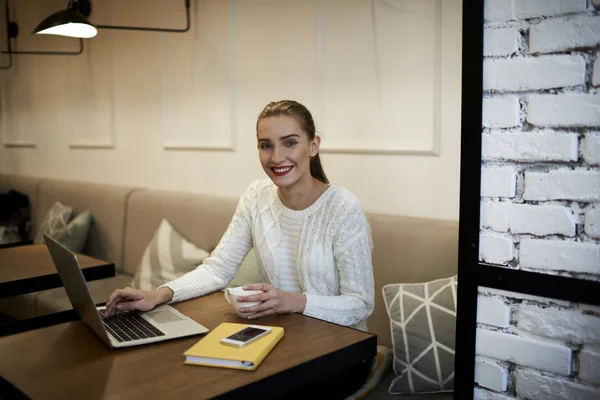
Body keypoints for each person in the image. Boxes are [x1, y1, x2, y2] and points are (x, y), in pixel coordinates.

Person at [105, 100, 375, 334]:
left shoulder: (343, 208)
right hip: (282, 336)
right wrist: (158, 295)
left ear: (313, 145)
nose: (277, 157)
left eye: (290, 143)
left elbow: (360, 305)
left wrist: (292, 301)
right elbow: (218, 269)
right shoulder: (256, 196)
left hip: (340, 345)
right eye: (265, 145)